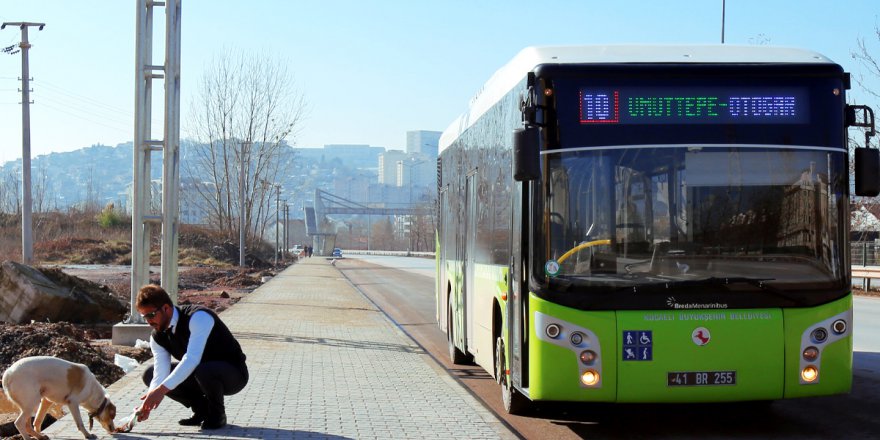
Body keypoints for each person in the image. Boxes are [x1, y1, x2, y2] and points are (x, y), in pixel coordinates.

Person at [134, 284, 248, 430]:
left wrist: (161, 391)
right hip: (199, 374)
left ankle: (217, 415)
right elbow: (160, 372)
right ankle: (201, 410)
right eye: (144, 317)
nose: (149, 321)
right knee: (149, 375)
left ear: (166, 308)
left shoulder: (198, 317)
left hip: (233, 374)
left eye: (151, 315)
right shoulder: (157, 336)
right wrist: (149, 400)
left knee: (203, 369)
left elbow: (192, 359)